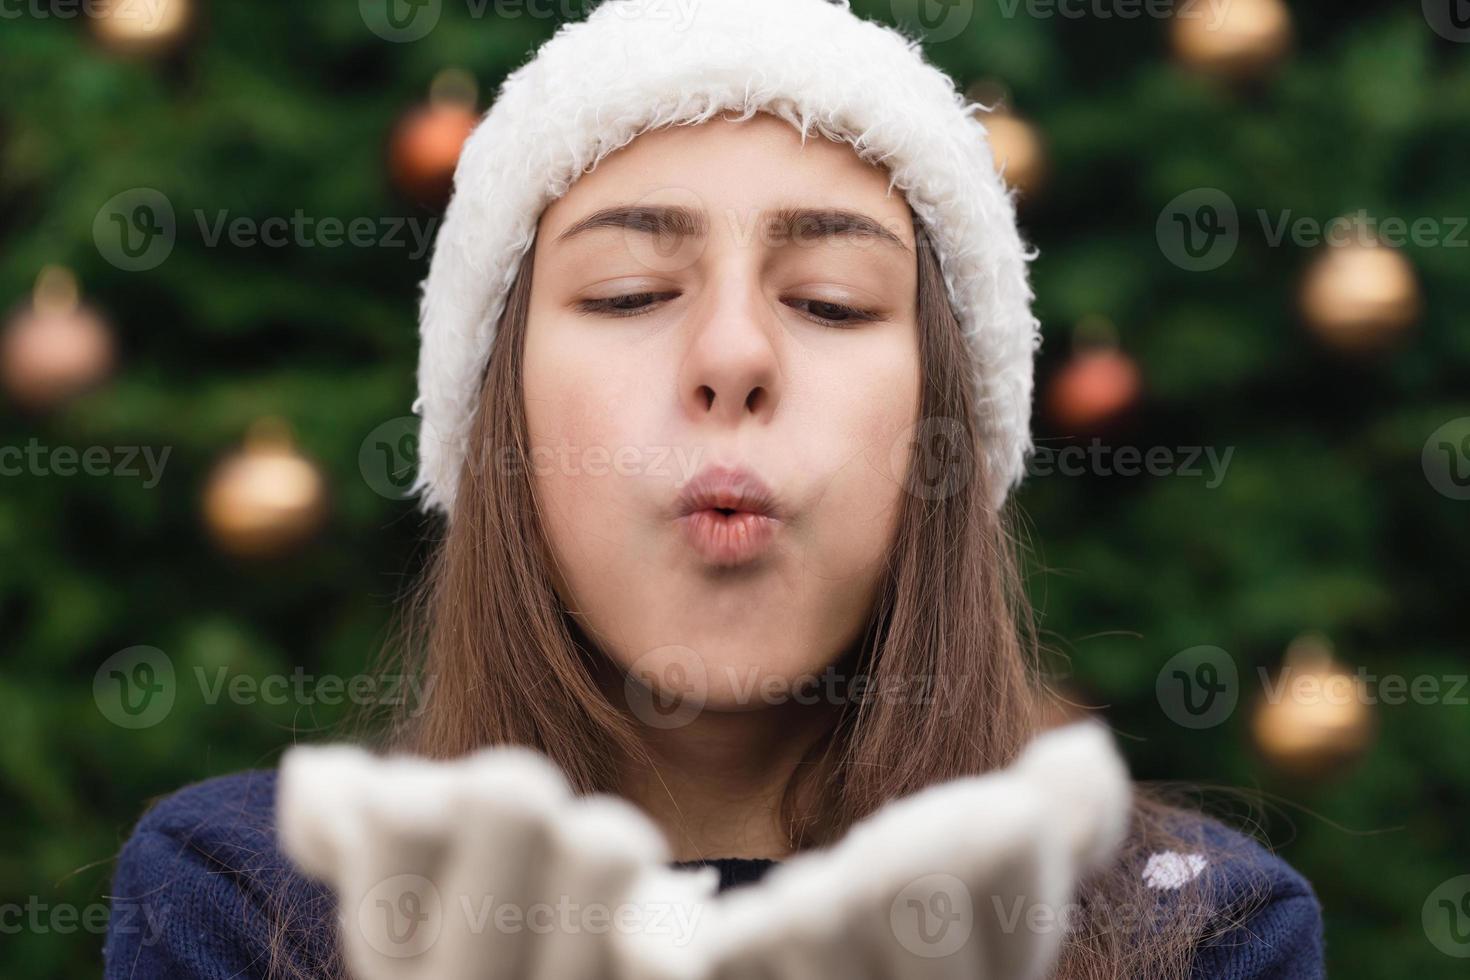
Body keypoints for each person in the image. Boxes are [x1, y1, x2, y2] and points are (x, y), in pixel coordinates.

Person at [104, 1, 1325, 978]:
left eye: (831, 300)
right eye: (631, 291)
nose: (734, 356)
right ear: (499, 416)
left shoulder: (1199, 933)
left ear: (942, 423)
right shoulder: (253, 899)